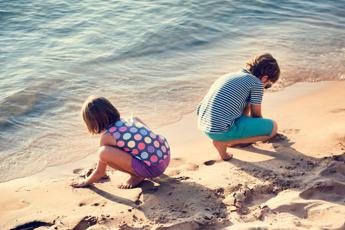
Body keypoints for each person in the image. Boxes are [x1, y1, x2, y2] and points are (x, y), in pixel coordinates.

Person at [71, 96, 170, 189]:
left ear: (92, 122)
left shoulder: (108, 136)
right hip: (165, 156)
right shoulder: (132, 119)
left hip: (153, 170)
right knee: (129, 145)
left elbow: (100, 172)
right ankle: (142, 170)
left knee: (103, 152)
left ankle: (137, 176)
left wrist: (85, 182)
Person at [197, 53, 280, 160]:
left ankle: (224, 150)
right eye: (268, 85)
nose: (265, 87)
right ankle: (226, 141)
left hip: (205, 126)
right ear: (264, 78)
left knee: (244, 108)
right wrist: (261, 129)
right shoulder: (257, 83)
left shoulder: (230, 75)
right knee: (272, 127)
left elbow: (238, 109)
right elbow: (256, 115)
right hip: (220, 130)